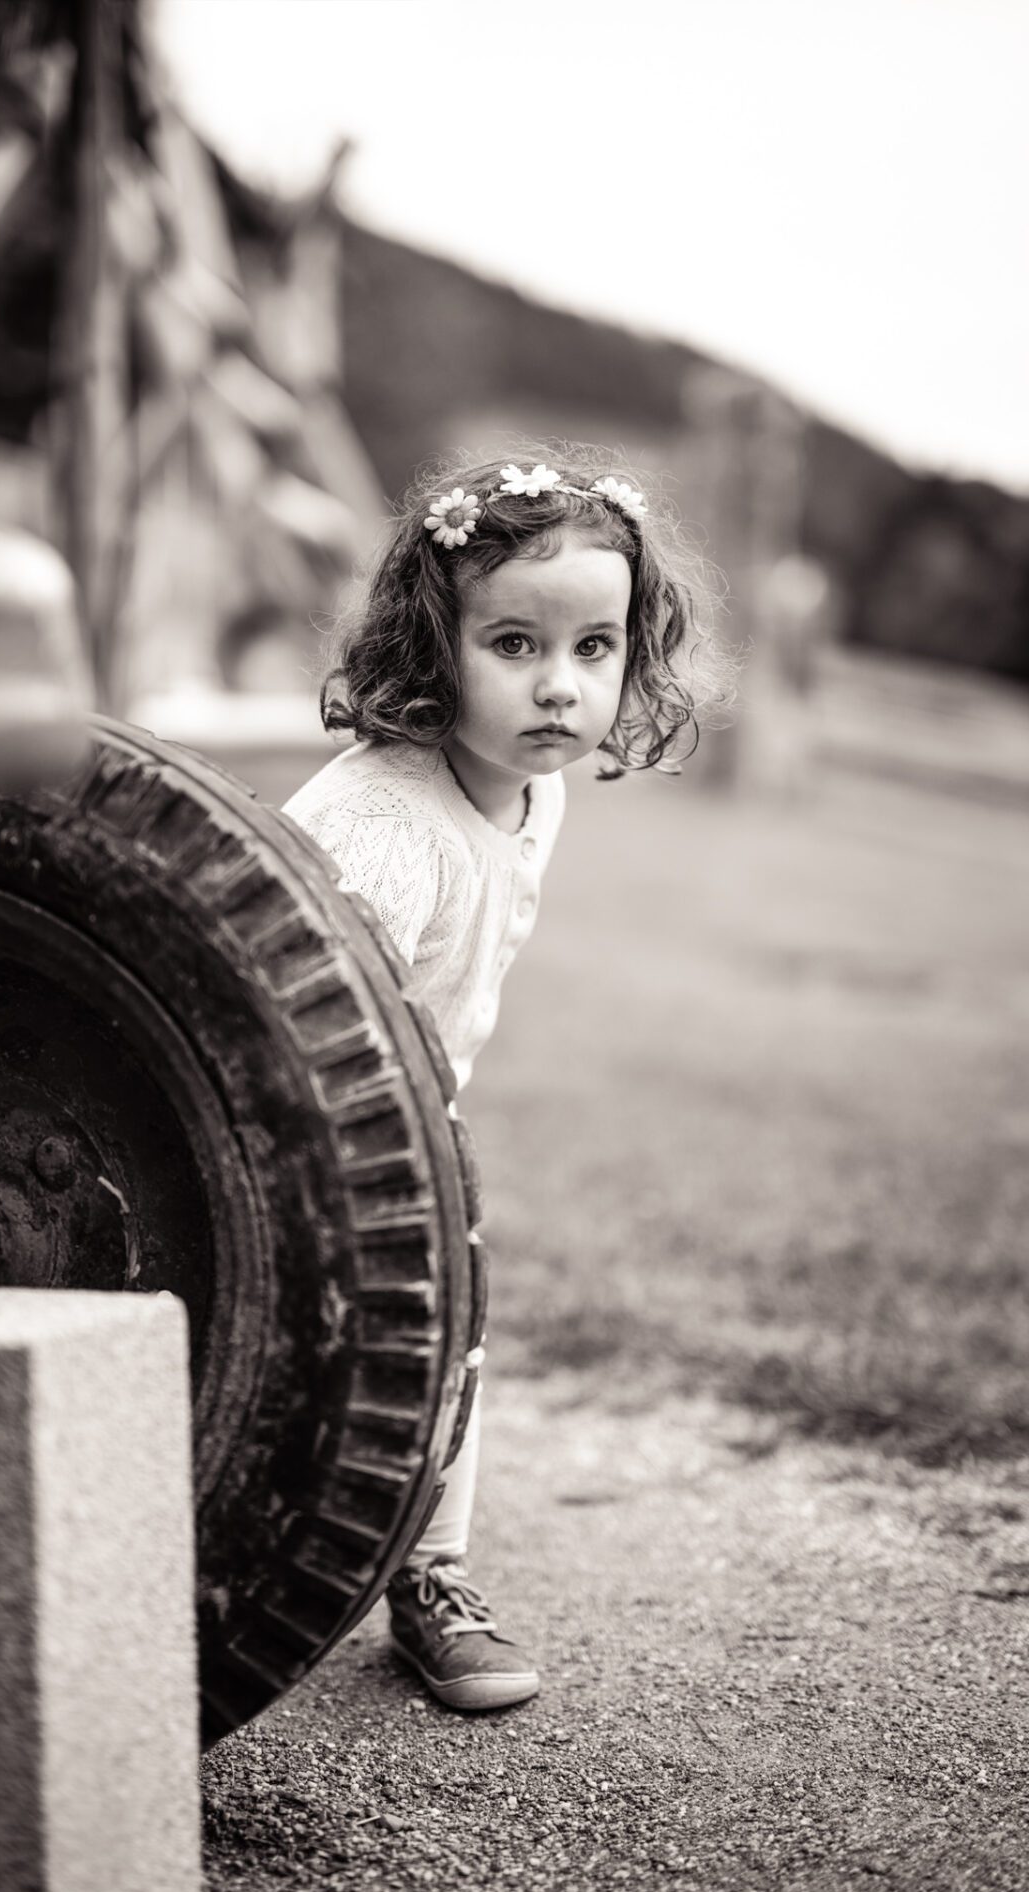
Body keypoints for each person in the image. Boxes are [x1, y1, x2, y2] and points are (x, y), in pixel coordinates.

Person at [283, 445, 726, 1710]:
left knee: (448, 1331)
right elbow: (278, 1020)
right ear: (436, 644)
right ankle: (244, 1549)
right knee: (353, 1338)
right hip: (303, 1120)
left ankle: (430, 1576)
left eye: (592, 649)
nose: (558, 688)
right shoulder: (382, 828)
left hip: (412, 1118)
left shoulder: (533, 793)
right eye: (515, 644)